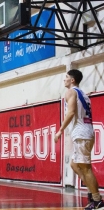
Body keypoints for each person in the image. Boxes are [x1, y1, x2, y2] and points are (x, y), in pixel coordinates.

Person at [54, 69, 104, 210]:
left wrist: (60, 131)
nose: (64, 79)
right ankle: (91, 193)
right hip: (86, 132)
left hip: (82, 134)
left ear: (72, 80)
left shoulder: (71, 92)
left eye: (66, 77)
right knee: (74, 165)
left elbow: (70, 113)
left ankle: (97, 200)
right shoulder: (84, 94)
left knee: (86, 169)